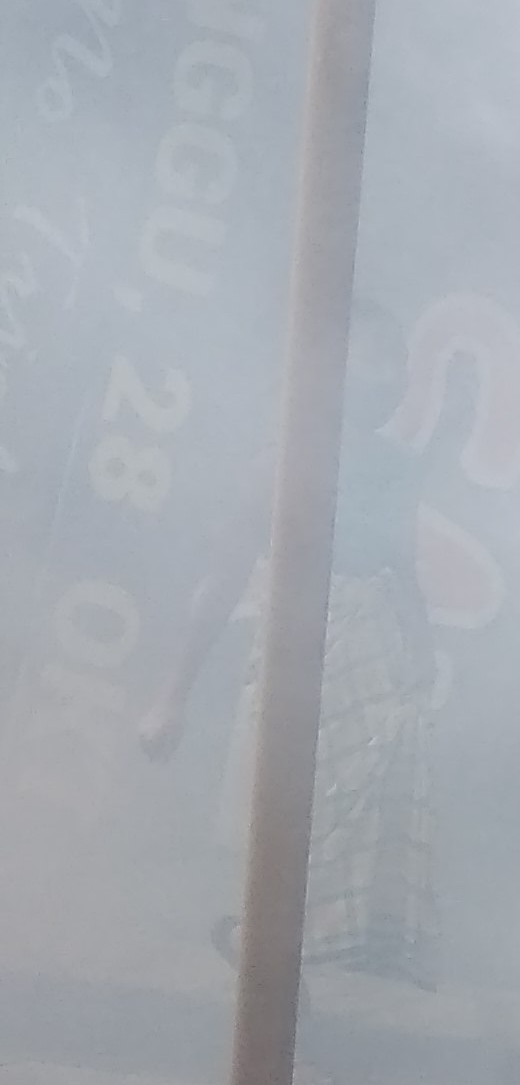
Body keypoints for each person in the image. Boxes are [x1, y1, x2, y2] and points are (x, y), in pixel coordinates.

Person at [143, 305, 437, 985]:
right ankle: (268, 1014)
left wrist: (419, 655)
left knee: (349, 840)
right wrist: (171, 699)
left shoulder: (397, 468)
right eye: (374, 359)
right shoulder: (278, 465)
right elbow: (222, 581)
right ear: (329, 373)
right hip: (297, 660)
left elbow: (401, 566)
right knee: (285, 840)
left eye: (400, 365)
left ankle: (284, 1010)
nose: (391, 377)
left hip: (374, 668)